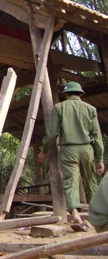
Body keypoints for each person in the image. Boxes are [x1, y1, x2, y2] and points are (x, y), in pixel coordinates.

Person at [38, 82, 104, 229]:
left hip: (68, 150)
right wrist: (99, 159)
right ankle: (98, 215)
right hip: (87, 149)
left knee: (70, 182)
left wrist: (43, 151)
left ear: (66, 94)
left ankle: (75, 213)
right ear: (80, 94)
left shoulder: (59, 108)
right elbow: (97, 136)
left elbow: (52, 134)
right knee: (92, 181)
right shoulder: (90, 109)